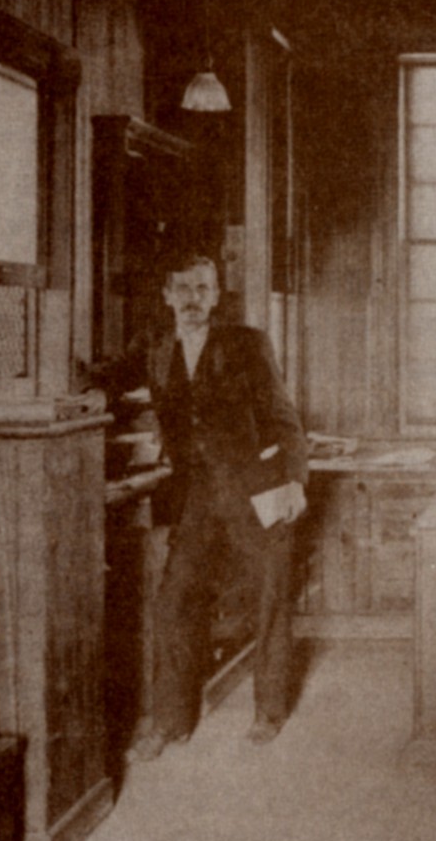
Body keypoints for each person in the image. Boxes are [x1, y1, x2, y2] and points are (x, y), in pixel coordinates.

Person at [94, 253, 309, 759]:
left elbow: (283, 416)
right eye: (183, 289)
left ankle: (269, 711)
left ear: (216, 295)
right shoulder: (154, 344)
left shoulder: (247, 343)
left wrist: (296, 481)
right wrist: (82, 396)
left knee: (270, 598)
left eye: (203, 289)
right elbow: (106, 377)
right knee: (173, 602)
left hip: (259, 487)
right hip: (195, 497)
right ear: (167, 295)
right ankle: (171, 721)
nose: (193, 299)